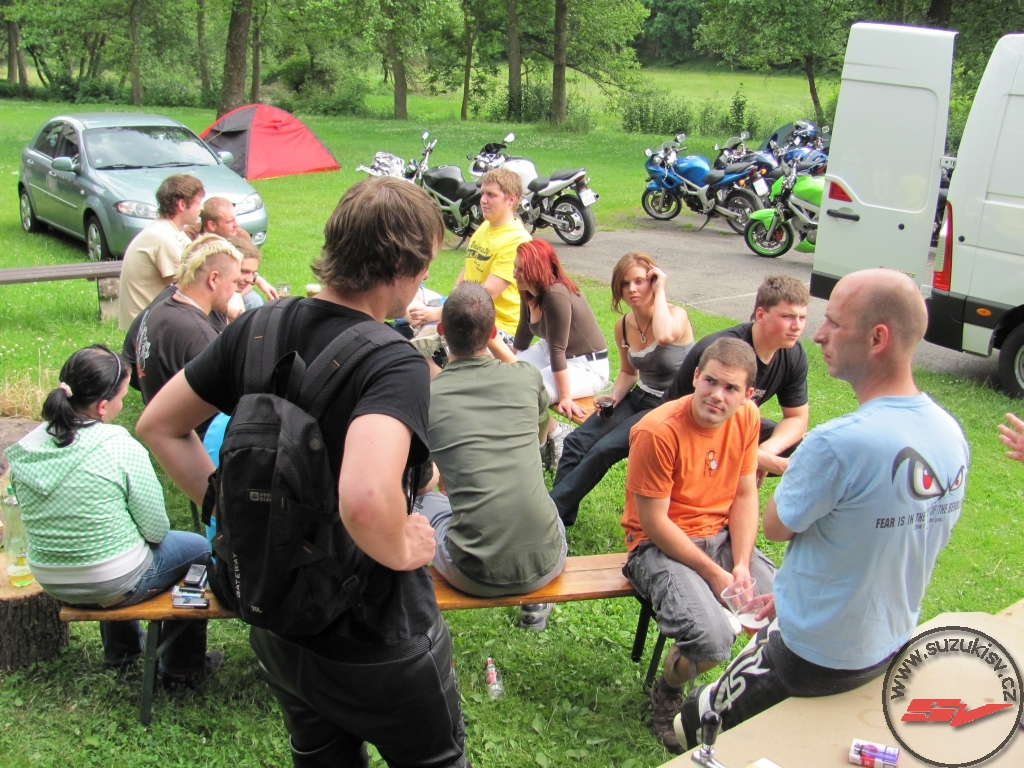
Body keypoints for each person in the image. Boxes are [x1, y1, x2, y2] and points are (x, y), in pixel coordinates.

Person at [136, 176, 466, 767]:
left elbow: (159, 424)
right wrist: (404, 545)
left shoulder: (257, 327)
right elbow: (365, 500)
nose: (423, 281)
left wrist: (227, 509)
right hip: (376, 636)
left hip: (279, 624)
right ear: (398, 265)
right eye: (423, 268)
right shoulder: (393, 363)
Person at [674, 269, 970, 751]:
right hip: (889, 640)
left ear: (877, 338)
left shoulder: (837, 443)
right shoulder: (949, 432)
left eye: (833, 322)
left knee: (691, 727)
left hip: (812, 651)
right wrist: (795, 594)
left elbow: (775, 527)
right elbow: (887, 539)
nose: (818, 334)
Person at [5, 346, 219, 685]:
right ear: (103, 407)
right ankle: (182, 665)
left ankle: (123, 653)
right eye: (121, 396)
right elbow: (156, 530)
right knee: (198, 549)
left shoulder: (25, 447)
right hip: (111, 580)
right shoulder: (117, 444)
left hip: (51, 577)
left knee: (110, 551)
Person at [622, 337, 776, 753]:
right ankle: (668, 693)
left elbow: (744, 494)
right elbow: (654, 522)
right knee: (711, 640)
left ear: (748, 394)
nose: (717, 395)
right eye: (710, 381)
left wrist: (740, 564)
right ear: (695, 377)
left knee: (786, 611)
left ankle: (749, 692)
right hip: (656, 545)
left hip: (721, 536)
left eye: (731, 388)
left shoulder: (747, 418)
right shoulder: (657, 431)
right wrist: (713, 573)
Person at [421, 282, 567, 630]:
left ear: (441, 330)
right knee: (539, 500)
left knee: (421, 499)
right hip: (549, 557)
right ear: (492, 332)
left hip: (473, 572)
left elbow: (425, 480)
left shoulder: (426, 396)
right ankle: (536, 603)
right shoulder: (526, 378)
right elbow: (540, 435)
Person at [551, 252, 694, 525]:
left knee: (603, 449)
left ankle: (547, 515)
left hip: (670, 406)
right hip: (639, 396)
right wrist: (615, 396)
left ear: (653, 281)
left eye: (640, 281)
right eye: (625, 284)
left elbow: (665, 336)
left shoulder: (677, 316)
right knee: (575, 442)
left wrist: (661, 289)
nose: (632, 289)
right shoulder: (624, 325)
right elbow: (629, 371)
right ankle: (560, 519)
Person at [661, 275, 810, 484]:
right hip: (688, 425)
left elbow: (797, 418)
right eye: (788, 317)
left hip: (731, 420)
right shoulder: (724, 351)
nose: (797, 326)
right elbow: (704, 417)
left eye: (802, 318)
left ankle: (738, 476)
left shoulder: (793, 354)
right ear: (761, 315)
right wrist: (772, 463)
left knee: (798, 445)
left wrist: (767, 450)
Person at [410, 167, 531, 360]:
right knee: (411, 295)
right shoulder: (485, 227)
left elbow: (486, 295)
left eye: (491, 195)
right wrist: (449, 302)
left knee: (425, 350)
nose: (483, 200)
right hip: (464, 309)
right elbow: (469, 266)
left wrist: (440, 314)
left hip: (492, 327)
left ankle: (430, 348)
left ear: (511, 199)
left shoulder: (516, 241)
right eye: (482, 193)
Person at [511, 239, 609, 470]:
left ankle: (538, 450)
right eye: (514, 267)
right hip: (550, 351)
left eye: (521, 269)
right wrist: (511, 363)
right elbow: (523, 334)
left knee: (529, 393)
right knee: (507, 378)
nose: (514, 274)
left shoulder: (556, 294)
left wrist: (565, 397)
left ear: (537, 269)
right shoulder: (528, 291)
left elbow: (558, 350)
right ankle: (557, 431)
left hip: (586, 364)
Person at [134, 235, 242, 411]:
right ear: (214, 279)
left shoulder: (160, 309)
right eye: (234, 281)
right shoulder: (198, 334)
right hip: (191, 426)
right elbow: (229, 404)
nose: (236, 289)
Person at [118, 174, 204, 330]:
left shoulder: (171, 231)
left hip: (154, 319)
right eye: (198, 202)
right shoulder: (165, 239)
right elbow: (188, 286)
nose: (202, 208)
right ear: (182, 204)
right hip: (146, 328)